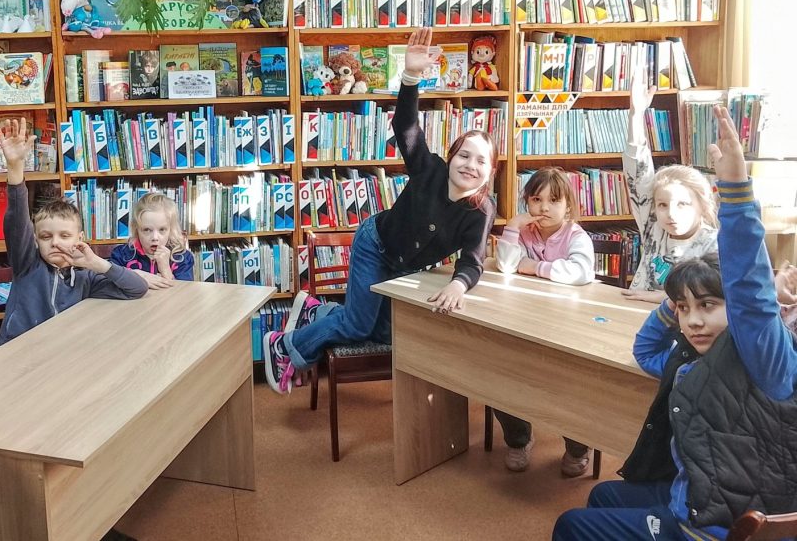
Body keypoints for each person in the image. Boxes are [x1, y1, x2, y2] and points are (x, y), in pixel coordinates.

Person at [552, 106, 797, 540]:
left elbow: (751, 296)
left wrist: (736, 190)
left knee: (571, 524)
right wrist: (674, 304)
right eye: (686, 310)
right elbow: (646, 350)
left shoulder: (765, 361)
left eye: (709, 306)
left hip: (713, 524)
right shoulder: (689, 358)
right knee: (604, 495)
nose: (695, 321)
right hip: (700, 492)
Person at [262, 28, 497, 394]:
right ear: (450, 158)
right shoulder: (429, 169)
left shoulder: (481, 209)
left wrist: (458, 283)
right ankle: (284, 345)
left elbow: (474, 258)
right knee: (357, 326)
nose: (470, 165)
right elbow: (405, 126)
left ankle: (317, 313)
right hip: (376, 244)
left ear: (491, 171)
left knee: (387, 332)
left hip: (406, 267)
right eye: (464, 155)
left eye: (481, 161)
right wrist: (411, 76)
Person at [0, 118, 147, 346]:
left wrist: (97, 264)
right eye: (46, 236)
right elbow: (17, 217)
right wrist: (15, 167)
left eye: (64, 236)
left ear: (79, 238)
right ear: (35, 240)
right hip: (20, 349)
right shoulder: (26, 263)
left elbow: (137, 289)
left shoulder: (87, 276)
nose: (55, 242)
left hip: (65, 350)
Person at [494, 166, 595, 477]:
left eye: (554, 200)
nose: (544, 208)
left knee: (571, 387)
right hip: (525, 321)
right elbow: (506, 266)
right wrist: (513, 226)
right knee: (498, 373)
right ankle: (519, 439)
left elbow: (580, 272)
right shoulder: (524, 232)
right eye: (536, 200)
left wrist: (533, 266)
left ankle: (578, 447)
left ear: (568, 205)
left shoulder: (576, 236)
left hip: (568, 327)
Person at [622, 64, 718, 304]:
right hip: (634, 313)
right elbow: (637, 172)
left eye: (682, 204)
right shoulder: (653, 224)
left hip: (683, 321)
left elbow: (710, 297)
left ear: (702, 205)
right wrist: (636, 116)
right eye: (662, 205)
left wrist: (658, 298)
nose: (671, 214)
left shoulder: (713, 243)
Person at [110, 192, 193, 287]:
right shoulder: (121, 255)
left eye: (162, 230)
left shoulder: (183, 258)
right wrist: (134, 275)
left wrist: (165, 269)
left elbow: (185, 292)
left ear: (171, 230)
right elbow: (107, 286)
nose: (155, 238)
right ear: (136, 230)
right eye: (147, 230)